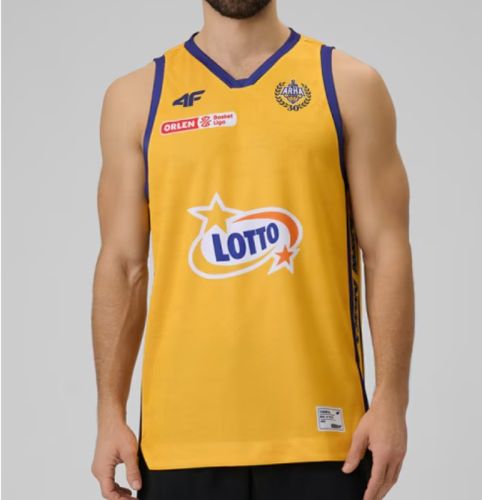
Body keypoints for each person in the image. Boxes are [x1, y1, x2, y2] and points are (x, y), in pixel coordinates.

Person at [91, 1, 415, 499]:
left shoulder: (347, 84)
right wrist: (109, 412)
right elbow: (122, 266)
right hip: (180, 441)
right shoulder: (136, 97)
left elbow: (386, 250)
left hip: (325, 437)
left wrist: (392, 399)